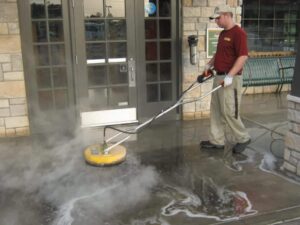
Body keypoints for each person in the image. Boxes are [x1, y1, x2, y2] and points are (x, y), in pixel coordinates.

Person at [200, 5, 251, 153]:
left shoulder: (239, 33)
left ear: (227, 15)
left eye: (218, 18)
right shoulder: (223, 34)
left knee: (230, 110)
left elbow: (243, 56)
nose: (216, 21)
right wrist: (209, 65)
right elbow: (219, 53)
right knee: (216, 110)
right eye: (215, 19)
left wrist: (230, 76)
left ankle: (243, 138)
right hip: (219, 76)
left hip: (231, 79)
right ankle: (217, 141)